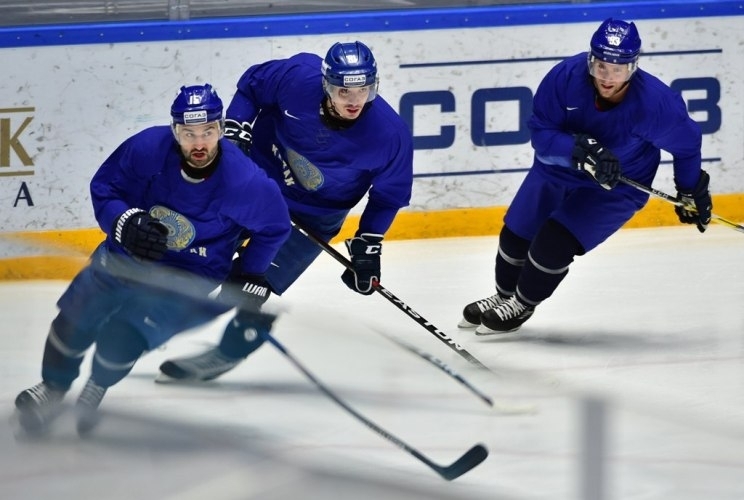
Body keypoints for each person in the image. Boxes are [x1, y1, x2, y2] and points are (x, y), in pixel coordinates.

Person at [14, 84, 291, 435]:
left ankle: (97, 386)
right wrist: (123, 222)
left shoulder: (246, 182)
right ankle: (52, 388)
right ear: (175, 131)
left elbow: (275, 228)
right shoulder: (147, 149)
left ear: (221, 129)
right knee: (72, 321)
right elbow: (106, 188)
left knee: (121, 339)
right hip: (126, 258)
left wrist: (249, 272)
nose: (199, 143)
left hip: (189, 276)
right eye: (189, 133)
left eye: (208, 131)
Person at [157, 41, 414, 381]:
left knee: (252, 285)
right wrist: (237, 129)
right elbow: (251, 87)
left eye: (363, 90)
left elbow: (388, 196)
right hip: (256, 186)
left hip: (314, 214)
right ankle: (149, 317)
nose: (354, 101)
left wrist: (369, 244)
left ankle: (229, 351)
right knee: (200, 252)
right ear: (326, 84)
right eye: (344, 91)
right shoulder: (297, 76)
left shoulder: (390, 135)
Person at [459, 18, 712, 335]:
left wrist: (688, 189)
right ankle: (503, 296)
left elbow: (687, 146)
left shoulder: (656, 105)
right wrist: (578, 147)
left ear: (632, 67)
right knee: (516, 234)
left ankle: (521, 304)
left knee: (553, 243)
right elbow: (541, 135)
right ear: (591, 59)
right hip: (558, 168)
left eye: (617, 69)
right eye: (601, 66)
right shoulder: (565, 76)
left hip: (616, 185)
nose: (607, 77)